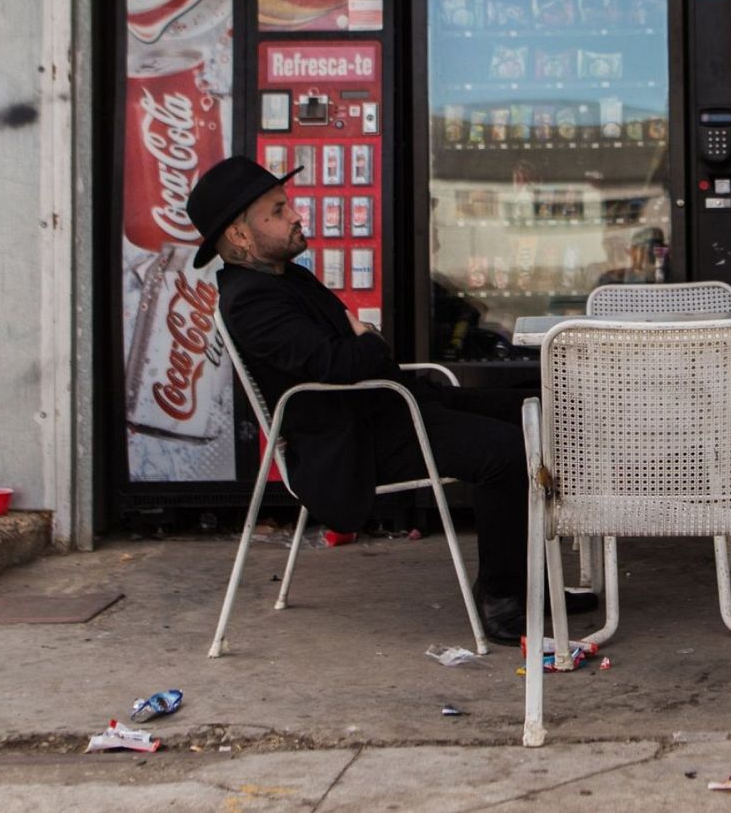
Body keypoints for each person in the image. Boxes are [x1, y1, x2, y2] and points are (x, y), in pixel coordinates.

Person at [185, 156, 590, 645]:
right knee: (506, 453)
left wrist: (364, 343)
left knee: (538, 408)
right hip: (355, 439)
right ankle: (502, 600)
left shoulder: (284, 278)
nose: (295, 215)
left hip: (389, 407)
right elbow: (342, 363)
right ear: (241, 237)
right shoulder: (251, 299)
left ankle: (532, 584)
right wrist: (370, 341)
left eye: (287, 204)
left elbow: (351, 352)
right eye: (277, 210)